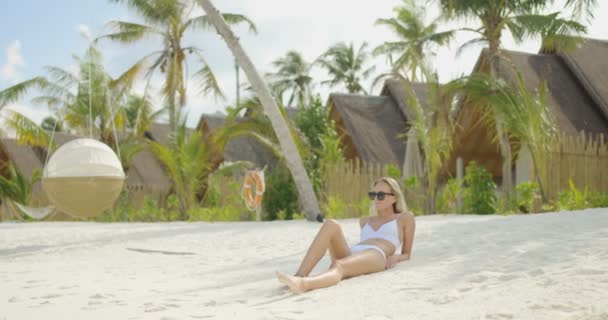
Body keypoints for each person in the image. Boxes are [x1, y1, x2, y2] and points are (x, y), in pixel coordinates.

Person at [276, 177, 416, 293]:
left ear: (394, 198)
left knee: (339, 265)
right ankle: (299, 275)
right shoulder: (365, 221)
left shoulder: (405, 218)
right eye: (373, 195)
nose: (376, 199)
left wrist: (397, 257)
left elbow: (407, 253)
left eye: (381, 195)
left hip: (376, 254)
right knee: (331, 224)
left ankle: (304, 284)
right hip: (353, 252)